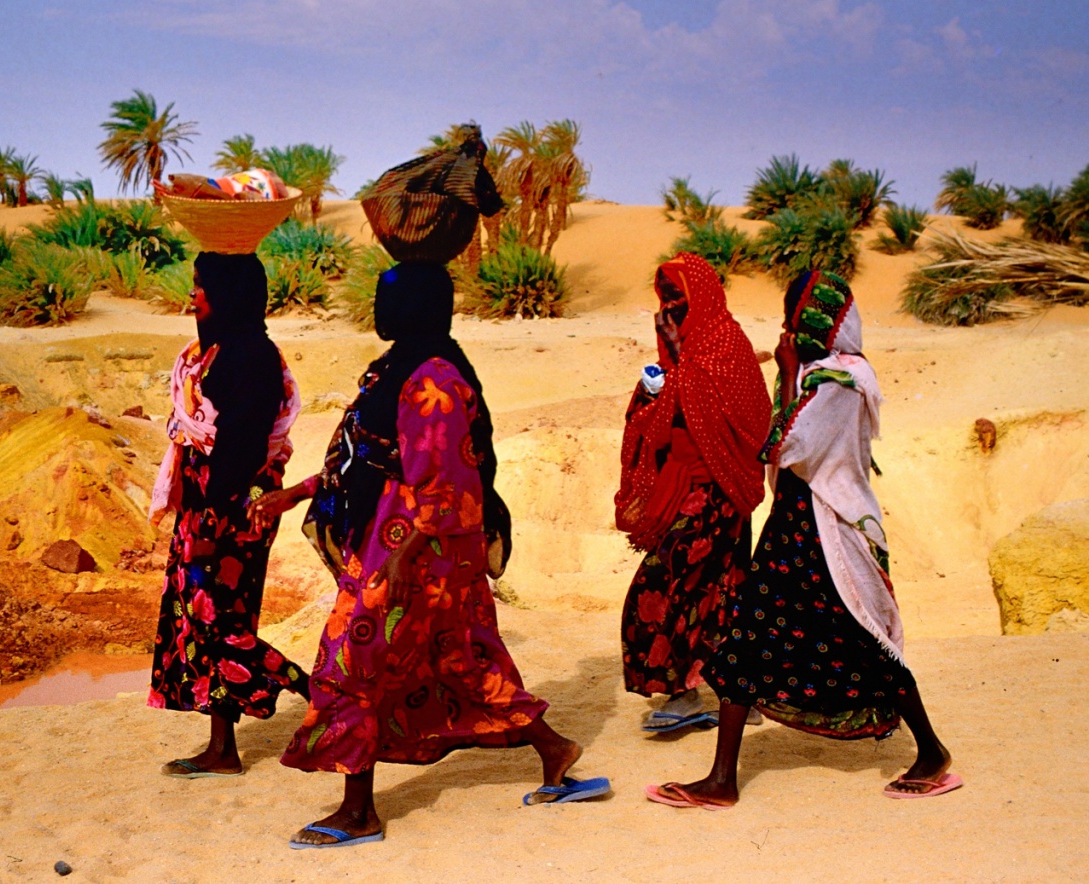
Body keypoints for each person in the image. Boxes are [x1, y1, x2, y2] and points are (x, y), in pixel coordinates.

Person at [250, 262, 609, 849]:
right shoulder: (395, 370)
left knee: (351, 660)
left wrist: (404, 553)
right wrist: (296, 493)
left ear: (416, 307)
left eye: (387, 297)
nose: (376, 308)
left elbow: (449, 480)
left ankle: (359, 812)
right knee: (462, 659)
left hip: (419, 546)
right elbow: (364, 457)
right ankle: (557, 751)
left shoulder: (434, 380)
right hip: (406, 541)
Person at [646, 270, 959, 809]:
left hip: (827, 532)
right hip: (793, 527)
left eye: (798, 312)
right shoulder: (820, 375)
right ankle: (722, 779)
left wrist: (788, 374)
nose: (792, 324)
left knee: (864, 638)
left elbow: (787, 446)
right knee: (745, 639)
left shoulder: (839, 381)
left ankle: (932, 752)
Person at [146, 252, 309, 778]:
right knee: (203, 618)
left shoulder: (252, 357)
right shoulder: (211, 352)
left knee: (222, 622)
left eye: (203, 287)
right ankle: (223, 749)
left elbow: (240, 447)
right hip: (206, 499)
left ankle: (312, 688)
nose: (193, 296)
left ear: (230, 295)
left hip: (234, 504)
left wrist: (214, 519)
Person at [616, 253, 771, 732]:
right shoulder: (679, 354)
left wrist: (679, 368)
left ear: (702, 295)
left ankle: (691, 694)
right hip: (684, 487)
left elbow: (753, 422)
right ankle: (732, 694)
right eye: (665, 297)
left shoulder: (725, 345)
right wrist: (655, 385)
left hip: (718, 491)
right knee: (712, 591)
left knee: (673, 588)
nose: (671, 306)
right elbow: (654, 424)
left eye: (679, 295)